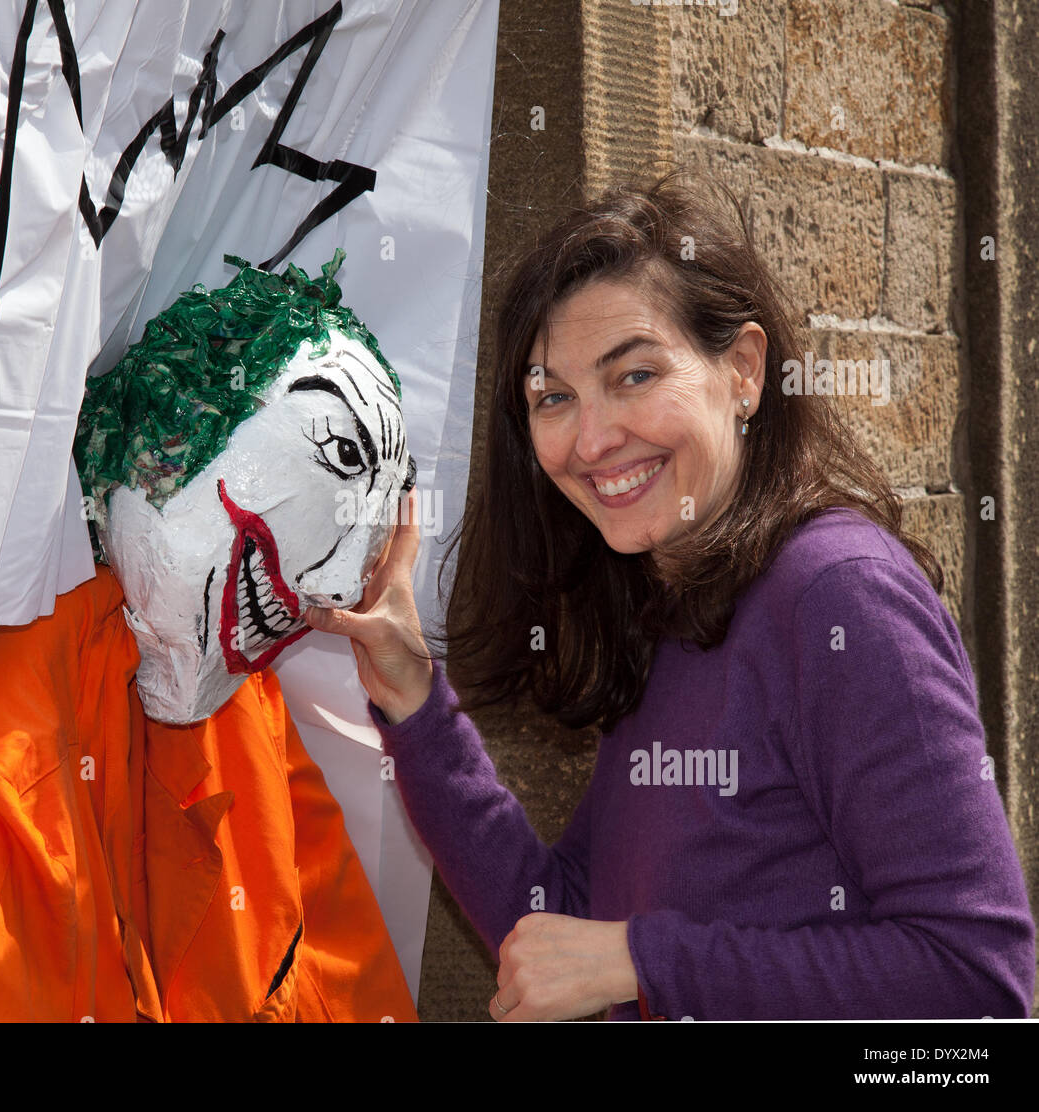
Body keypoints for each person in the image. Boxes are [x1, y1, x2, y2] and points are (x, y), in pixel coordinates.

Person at [305, 172, 1037, 1020]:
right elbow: (562, 934)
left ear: (745, 373)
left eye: (636, 375)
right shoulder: (675, 598)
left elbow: (975, 978)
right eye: (554, 398)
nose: (592, 438)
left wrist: (643, 959)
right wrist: (414, 700)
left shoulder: (839, 598)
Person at [0, 254, 418, 1022]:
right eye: (336, 457)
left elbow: (341, 982)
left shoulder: (250, 719)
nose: (335, 590)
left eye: (368, 527)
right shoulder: (10, 763)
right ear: (167, 442)